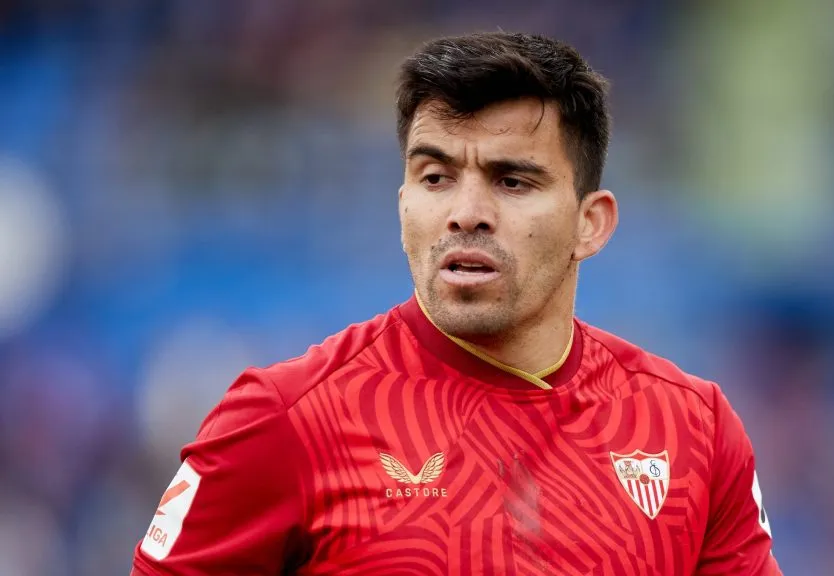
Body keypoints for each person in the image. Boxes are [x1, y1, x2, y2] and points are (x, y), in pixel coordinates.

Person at [131, 31, 782, 575]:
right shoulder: (285, 421)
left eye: (513, 180)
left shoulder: (692, 431)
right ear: (403, 203)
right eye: (435, 177)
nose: (466, 214)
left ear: (592, 223)